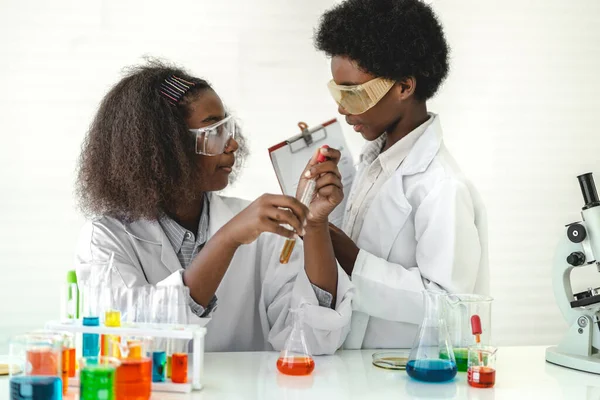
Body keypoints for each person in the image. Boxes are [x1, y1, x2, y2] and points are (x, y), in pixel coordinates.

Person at [75, 60, 353, 354]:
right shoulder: (106, 239)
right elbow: (126, 344)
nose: (232, 145)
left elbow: (313, 340)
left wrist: (315, 224)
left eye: (228, 128)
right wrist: (226, 240)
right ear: (162, 147)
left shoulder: (264, 229)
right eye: (214, 132)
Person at [314, 0, 489, 349]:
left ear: (404, 87)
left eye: (354, 93)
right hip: (359, 368)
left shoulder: (441, 186)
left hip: (409, 375)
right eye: (338, 92)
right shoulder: (374, 161)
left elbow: (451, 305)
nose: (342, 108)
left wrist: (349, 255)